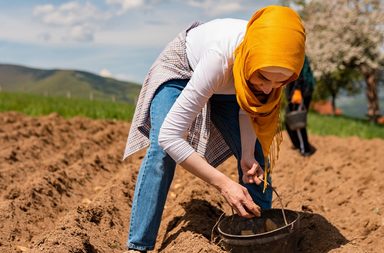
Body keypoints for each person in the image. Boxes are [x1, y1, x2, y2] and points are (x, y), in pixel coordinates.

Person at [123, 5, 305, 252]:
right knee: (161, 152)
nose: (267, 89)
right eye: (263, 78)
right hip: (183, 70)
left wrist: (248, 154)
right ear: (250, 60)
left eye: (280, 82)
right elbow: (170, 136)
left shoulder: (273, 63)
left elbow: (248, 108)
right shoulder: (219, 59)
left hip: (230, 82)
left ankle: (256, 238)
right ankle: (139, 245)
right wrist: (224, 183)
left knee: (256, 160)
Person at [284, 56, 316, 156]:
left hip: (299, 92)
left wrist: (297, 90)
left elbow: (299, 73)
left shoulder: (297, 54)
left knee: (297, 120)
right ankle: (298, 144)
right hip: (297, 91)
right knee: (289, 120)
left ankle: (305, 149)